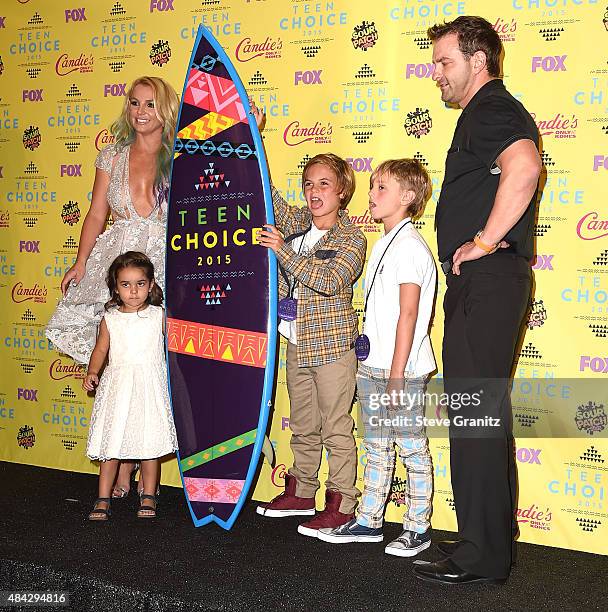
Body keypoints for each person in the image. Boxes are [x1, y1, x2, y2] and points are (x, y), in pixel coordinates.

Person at [413, 16, 541, 585]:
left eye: (444, 62)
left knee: (476, 414)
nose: (435, 74)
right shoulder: (485, 113)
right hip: (488, 283)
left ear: (478, 60)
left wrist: (484, 242)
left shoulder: (491, 109)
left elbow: (525, 168)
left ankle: (481, 554)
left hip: (488, 279)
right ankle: (488, 544)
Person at [46, 76, 179, 498]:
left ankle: (142, 464)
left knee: (153, 369)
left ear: (166, 111)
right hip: (116, 263)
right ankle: (119, 465)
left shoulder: (181, 156)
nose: (140, 111)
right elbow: (95, 214)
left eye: (150, 104)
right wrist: (81, 261)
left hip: (161, 266)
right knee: (119, 367)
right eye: (134, 103)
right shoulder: (112, 155)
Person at [251, 104, 366, 536]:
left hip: (332, 346)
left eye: (324, 184)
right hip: (295, 339)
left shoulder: (352, 236)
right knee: (302, 423)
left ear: (342, 193)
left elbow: (328, 280)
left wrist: (282, 251)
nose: (314, 191)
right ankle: (301, 492)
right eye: (309, 184)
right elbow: (270, 200)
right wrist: (254, 138)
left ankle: (342, 503)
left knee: (336, 426)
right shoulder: (298, 224)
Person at [317, 159, 436, 557]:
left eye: (381, 188)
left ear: (407, 197)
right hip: (374, 363)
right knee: (378, 446)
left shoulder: (409, 246)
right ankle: (369, 519)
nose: (371, 194)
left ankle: (418, 528)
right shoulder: (386, 241)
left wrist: (398, 375)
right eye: (372, 187)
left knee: (411, 447)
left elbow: (409, 313)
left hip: (398, 368)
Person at [84, 252, 178, 521]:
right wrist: (92, 371)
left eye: (140, 283)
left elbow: (176, 346)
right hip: (118, 389)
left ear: (150, 285)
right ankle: (102, 498)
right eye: (125, 284)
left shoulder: (159, 315)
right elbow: (101, 349)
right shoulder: (110, 319)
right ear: (116, 287)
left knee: (150, 444)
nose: (133, 291)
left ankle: (148, 494)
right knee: (112, 444)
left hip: (150, 387)